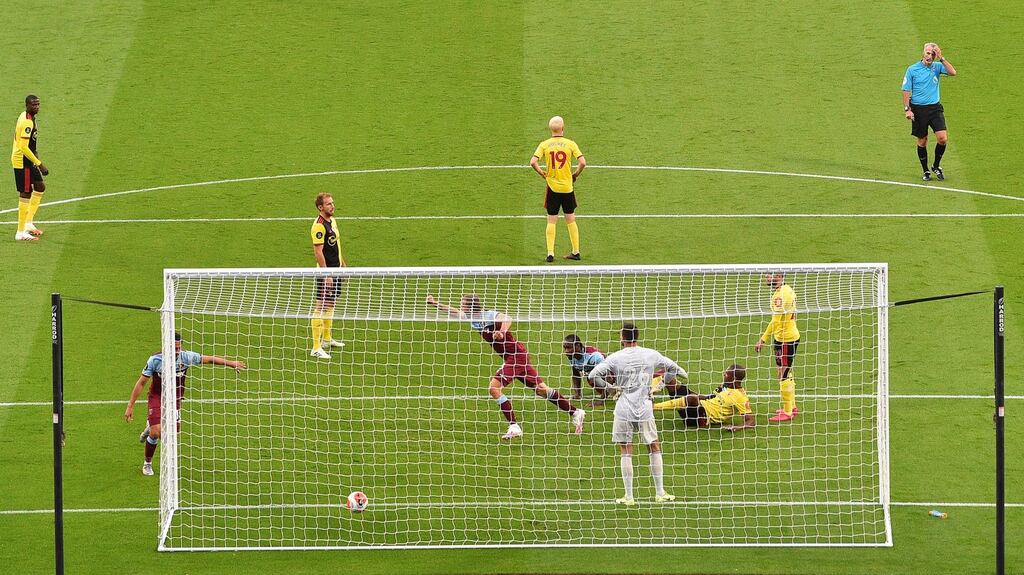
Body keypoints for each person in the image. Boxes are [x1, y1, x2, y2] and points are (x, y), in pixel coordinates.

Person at [427, 293, 585, 439]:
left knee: (494, 388)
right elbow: (453, 311)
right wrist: (434, 303)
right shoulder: (470, 317)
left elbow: (507, 317)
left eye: (463, 303)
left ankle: (514, 426)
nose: (461, 306)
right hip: (515, 356)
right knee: (541, 390)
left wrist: (501, 331)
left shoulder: (488, 315)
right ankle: (576, 412)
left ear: (471, 306)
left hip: (515, 356)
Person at [588, 322, 685, 506]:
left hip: (623, 407)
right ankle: (660, 492)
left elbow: (593, 376)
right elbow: (678, 371)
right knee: (654, 446)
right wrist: (660, 385)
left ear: (622, 338)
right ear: (637, 337)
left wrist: (611, 389)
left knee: (626, 450)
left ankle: (629, 496)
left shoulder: (615, 358)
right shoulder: (651, 354)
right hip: (645, 407)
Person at [124, 333, 246, 476]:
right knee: (156, 432)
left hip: (175, 398)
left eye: (179, 347)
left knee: (171, 435)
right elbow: (141, 383)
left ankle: (150, 428)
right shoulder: (155, 360)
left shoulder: (186, 357)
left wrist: (231, 363)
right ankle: (148, 463)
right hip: (157, 397)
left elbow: (209, 359)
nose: (177, 351)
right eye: (174, 348)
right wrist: (130, 405)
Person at [530, 116, 586, 262]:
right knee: (570, 219)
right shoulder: (570, 144)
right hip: (567, 187)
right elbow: (582, 162)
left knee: (551, 220)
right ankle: (576, 251)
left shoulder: (544, 145)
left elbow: (533, 162)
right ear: (563, 128)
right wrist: (575, 175)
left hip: (552, 187)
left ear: (550, 129)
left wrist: (542, 173)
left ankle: (550, 253)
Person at [902, 42, 957, 181]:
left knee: (943, 138)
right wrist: (907, 109)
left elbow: (953, 72)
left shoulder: (938, 67)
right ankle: (926, 170)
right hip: (918, 109)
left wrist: (942, 58)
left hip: (934, 108)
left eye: (933, 54)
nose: (930, 56)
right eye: (928, 53)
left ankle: (936, 166)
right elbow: (906, 90)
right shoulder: (912, 69)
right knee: (922, 140)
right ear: (923, 53)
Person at [654, 364, 755, 432]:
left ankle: (652, 407)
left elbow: (751, 421)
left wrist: (736, 427)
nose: (724, 374)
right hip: (700, 406)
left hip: (702, 418)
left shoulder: (741, 397)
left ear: (734, 378)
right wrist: (692, 393)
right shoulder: (725, 385)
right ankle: (648, 392)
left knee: (692, 398)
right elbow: (710, 397)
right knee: (670, 379)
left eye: (727, 373)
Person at [755, 273, 800, 422]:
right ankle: (791, 406)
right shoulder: (787, 290)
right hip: (781, 338)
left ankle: (787, 412)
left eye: (769, 275)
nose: (766, 277)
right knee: (783, 371)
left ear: (779, 276)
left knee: (783, 374)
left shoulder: (780, 296)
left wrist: (762, 339)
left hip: (787, 339)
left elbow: (775, 321)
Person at [310, 192, 347, 359]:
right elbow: (318, 252)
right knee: (321, 306)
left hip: (337, 269)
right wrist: (326, 274)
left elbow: (336, 244)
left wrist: (342, 262)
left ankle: (326, 339)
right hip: (327, 272)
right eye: (329, 204)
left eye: (333, 202)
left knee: (331, 303)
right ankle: (316, 348)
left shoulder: (332, 221)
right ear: (320, 207)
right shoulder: (318, 226)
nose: (333, 206)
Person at [11, 95, 49, 241]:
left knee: (40, 186)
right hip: (22, 161)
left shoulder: (26, 116)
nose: (37, 107)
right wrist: (39, 164)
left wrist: (36, 159)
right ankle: (20, 233)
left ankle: (28, 223)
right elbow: (23, 147)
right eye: (34, 105)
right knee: (26, 192)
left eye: (38, 104)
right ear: (27, 105)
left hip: (29, 159)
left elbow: (31, 144)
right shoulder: (27, 122)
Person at [562, 334, 609, 401]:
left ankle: (616, 390)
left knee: (593, 377)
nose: (566, 351)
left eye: (569, 348)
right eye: (565, 348)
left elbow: (609, 376)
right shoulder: (572, 355)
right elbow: (576, 374)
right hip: (600, 377)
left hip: (614, 375)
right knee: (591, 379)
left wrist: (601, 401)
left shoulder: (594, 356)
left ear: (578, 346)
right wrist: (577, 394)